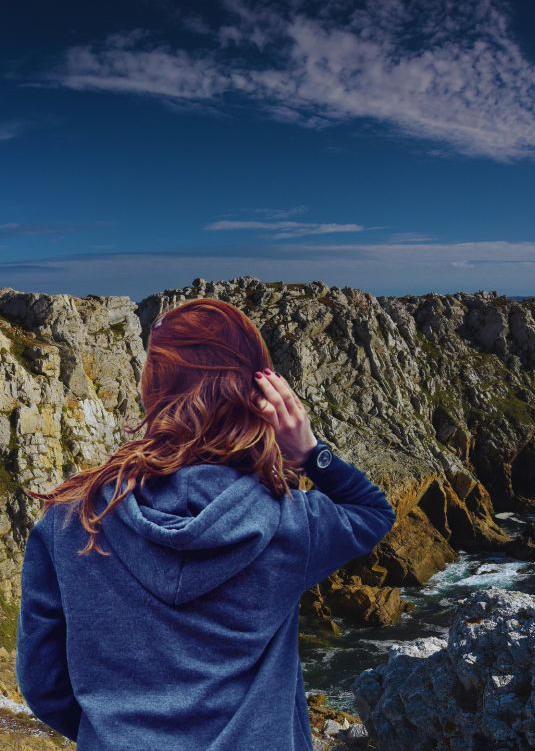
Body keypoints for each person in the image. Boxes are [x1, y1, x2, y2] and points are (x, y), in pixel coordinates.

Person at [14, 298, 397, 750]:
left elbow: (42, 682)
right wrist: (311, 452)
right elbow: (373, 513)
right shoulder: (289, 521)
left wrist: (115, 734)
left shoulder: (71, 521)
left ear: (151, 390)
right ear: (258, 397)